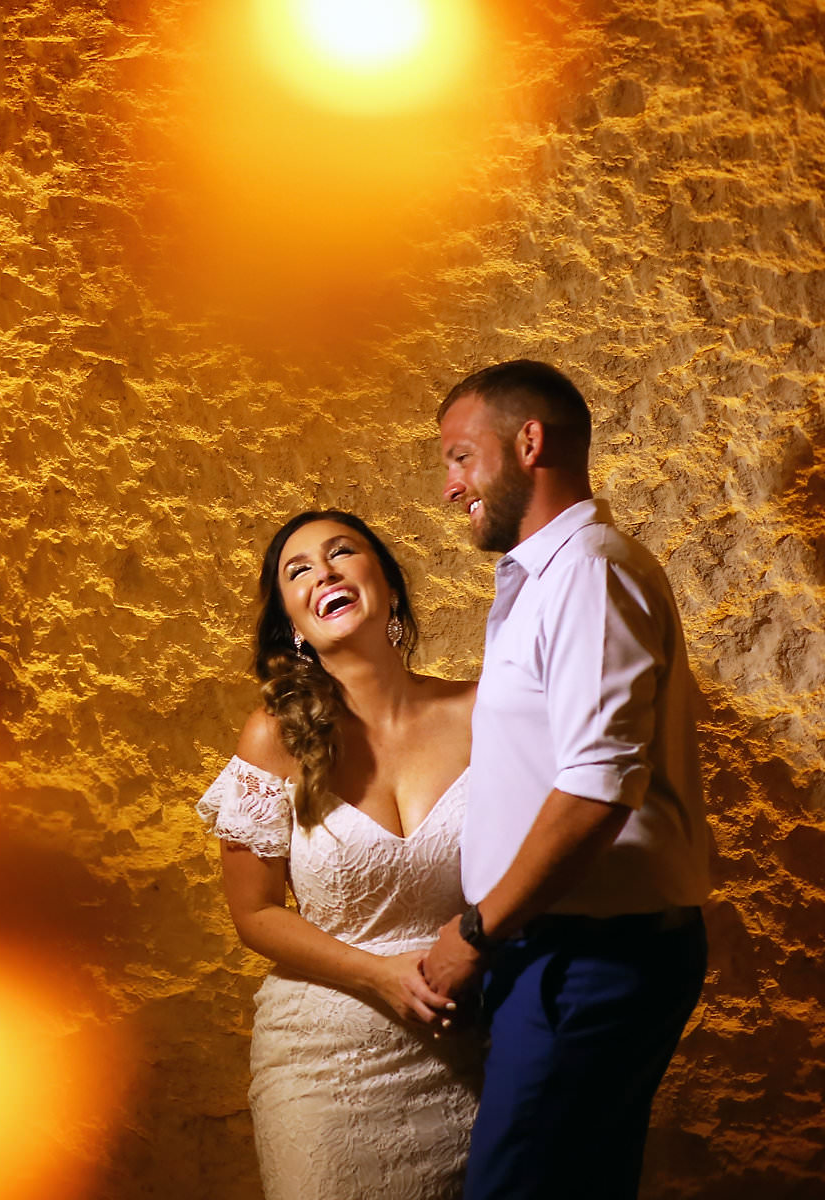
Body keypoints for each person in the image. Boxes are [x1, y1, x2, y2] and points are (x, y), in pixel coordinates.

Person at [423, 360, 713, 1199]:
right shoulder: (541, 580)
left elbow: (596, 787)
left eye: (459, 457)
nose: (450, 487)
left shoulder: (588, 570)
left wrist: (475, 934)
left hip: (590, 958)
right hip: (554, 949)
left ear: (529, 442)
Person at [196, 509, 480, 1200]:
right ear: (295, 619)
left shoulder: (485, 711)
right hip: (325, 1067)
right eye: (298, 570)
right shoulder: (273, 738)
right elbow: (255, 913)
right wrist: (377, 974)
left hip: (476, 1046)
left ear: (385, 583)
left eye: (342, 552)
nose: (322, 571)